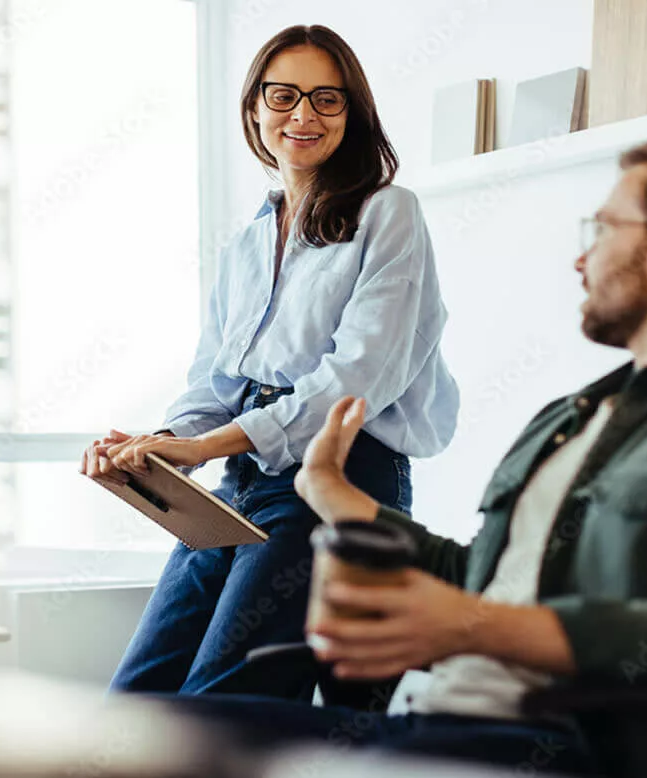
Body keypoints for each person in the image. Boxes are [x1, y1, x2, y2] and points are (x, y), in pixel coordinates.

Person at [161, 137, 647, 776]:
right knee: (161, 729)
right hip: (433, 724)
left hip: (557, 746)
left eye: (603, 228)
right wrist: (337, 499)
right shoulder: (572, 418)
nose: (579, 258)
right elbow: (482, 577)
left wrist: (472, 627)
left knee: (196, 754)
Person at [83, 24, 458, 698]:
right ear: (255, 106)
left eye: (327, 99)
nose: (304, 116)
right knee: (136, 699)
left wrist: (205, 446)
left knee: (223, 703)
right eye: (283, 95)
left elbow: (353, 384)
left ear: (354, 112)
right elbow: (217, 378)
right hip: (244, 474)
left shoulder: (389, 213)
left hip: (340, 472)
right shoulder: (252, 237)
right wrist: (159, 446)